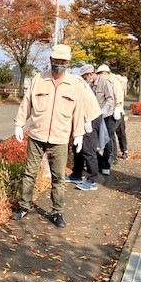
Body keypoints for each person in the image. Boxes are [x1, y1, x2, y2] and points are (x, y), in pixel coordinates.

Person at [12, 44, 85, 228]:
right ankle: (23, 206)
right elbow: (26, 102)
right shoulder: (39, 79)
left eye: (62, 62)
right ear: (51, 60)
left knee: (58, 177)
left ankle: (57, 212)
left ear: (68, 62)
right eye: (56, 61)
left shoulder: (74, 84)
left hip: (60, 139)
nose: (58, 64)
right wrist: (19, 123)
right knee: (29, 173)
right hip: (37, 134)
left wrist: (79, 134)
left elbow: (79, 110)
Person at [65, 64, 102, 191]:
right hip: (84, 118)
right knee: (77, 147)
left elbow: (83, 103)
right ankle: (76, 174)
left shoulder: (74, 84)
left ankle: (92, 180)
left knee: (88, 149)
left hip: (90, 118)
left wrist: (86, 121)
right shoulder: (75, 82)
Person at [84, 64, 115, 175]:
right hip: (94, 116)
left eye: (85, 76)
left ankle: (105, 165)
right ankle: (95, 165)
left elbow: (110, 99)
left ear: (91, 74)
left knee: (105, 139)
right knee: (95, 141)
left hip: (106, 116)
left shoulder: (104, 82)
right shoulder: (90, 85)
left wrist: (104, 110)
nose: (85, 79)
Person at [98, 64, 128, 161]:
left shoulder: (114, 81)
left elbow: (118, 96)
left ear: (105, 73)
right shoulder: (105, 82)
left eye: (100, 73)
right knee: (111, 133)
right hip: (110, 112)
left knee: (119, 133)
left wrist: (118, 107)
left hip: (117, 111)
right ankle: (113, 155)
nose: (99, 75)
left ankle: (123, 151)